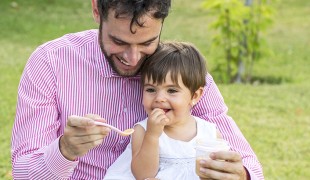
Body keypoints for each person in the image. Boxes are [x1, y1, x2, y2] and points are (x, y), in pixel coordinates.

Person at [11, 0, 264, 179]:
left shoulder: (180, 72)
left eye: (146, 43)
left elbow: (249, 164)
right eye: (118, 41)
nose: (132, 58)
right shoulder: (50, 62)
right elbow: (24, 172)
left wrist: (240, 175)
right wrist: (65, 149)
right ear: (96, 9)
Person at [104, 41, 224, 180]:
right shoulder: (143, 131)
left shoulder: (209, 133)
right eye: (150, 89)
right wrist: (152, 135)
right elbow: (143, 175)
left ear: (195, 96)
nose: (159, 98)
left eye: (172, 90)